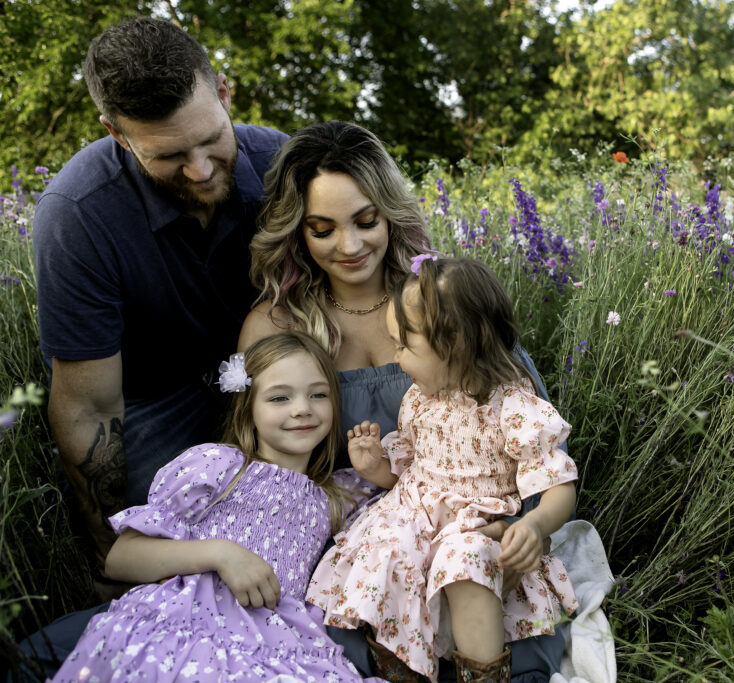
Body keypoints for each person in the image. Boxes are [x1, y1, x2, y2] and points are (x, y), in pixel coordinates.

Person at [238, 121, 569, 682]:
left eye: (367, 221)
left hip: (478, 524)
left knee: (503, 639)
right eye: (323, 229)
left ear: (390, 212)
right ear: (297, 232)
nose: (350, 246)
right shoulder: (278, 325)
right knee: (342, 649)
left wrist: (523, 531)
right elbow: (269, 471)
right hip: (374, 540)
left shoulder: (438, 297)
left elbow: (521, 421)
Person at [33, 16, 288, 582]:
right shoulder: (77, 215)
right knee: (170, 551)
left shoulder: (284, 167)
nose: (198, 170)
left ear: (224, 92)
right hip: (155, 401)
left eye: (211, 139)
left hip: (278, 375)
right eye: (169, 155)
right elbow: (88, 408)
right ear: (117, 134)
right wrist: (110, 554)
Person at [308, 257, 578, 683]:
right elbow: (410, 473)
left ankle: (482, 674)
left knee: (464, 558)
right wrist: (375, 466)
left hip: (475, 526)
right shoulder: (419, 399)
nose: (395, 358)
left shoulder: (513, 407)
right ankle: (399, 668)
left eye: (403, 346)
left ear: (453, 345)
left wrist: (536, 526)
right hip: (412, 516)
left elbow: (559, 484)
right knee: (389, 552)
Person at [51, 332, 376, 683]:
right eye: (279, 397)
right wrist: (222, 555)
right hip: (192, 621)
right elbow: (120, 558)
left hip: (278, 640)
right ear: (248, 408)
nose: (302, 408)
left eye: (318, 394)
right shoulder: (218, 466)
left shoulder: (335, 496)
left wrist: (374, 465)